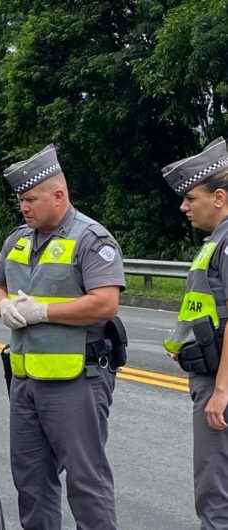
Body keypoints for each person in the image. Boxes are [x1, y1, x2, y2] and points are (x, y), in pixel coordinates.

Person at [0, 144, 125, 530]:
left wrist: (43, 312)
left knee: (86, 482)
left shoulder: (91, 240)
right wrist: (3, 307)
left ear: (59, 195)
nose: (24, 208)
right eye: (21, 201)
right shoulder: (17, 240)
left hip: (76, 381)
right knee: (31, 482)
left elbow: (105, 303)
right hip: (25, 381)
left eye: (31, 199)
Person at [162, 137, 228, 529]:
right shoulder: (215, 243)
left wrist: (221, 391)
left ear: (219, 197)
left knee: (215, 492)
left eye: (191, 198)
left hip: (219, 381)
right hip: (211, 373)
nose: (184, 207)